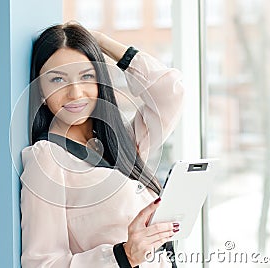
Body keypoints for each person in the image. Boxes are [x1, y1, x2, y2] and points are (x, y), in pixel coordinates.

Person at [20, 22, 184, 267]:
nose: (76, 93)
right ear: (40, 90)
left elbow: (170, 92)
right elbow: (42, 262)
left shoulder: (123, 140)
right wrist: (122, 256)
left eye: (86, 76)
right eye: (57, 80)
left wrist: (102, 42)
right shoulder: (47, 159)